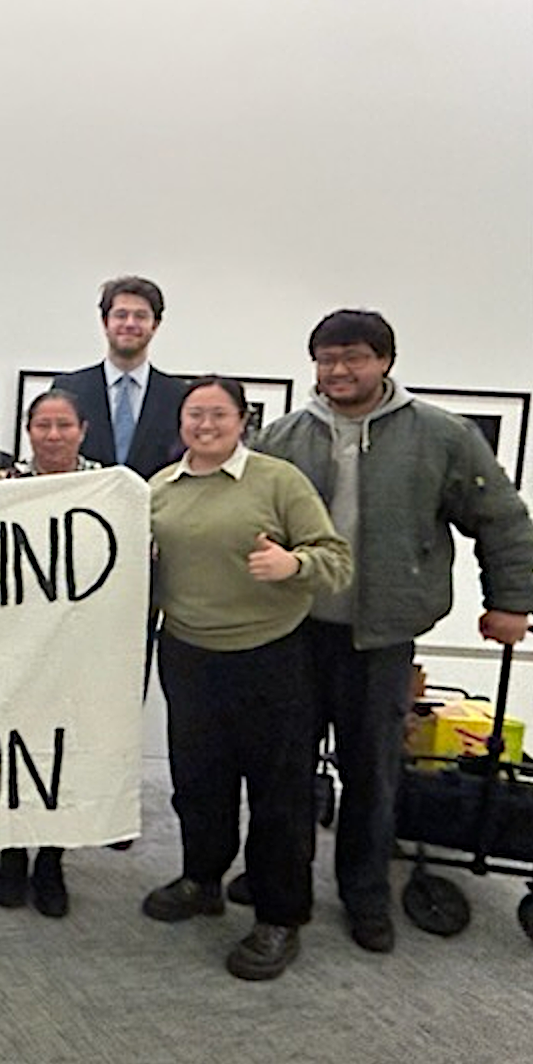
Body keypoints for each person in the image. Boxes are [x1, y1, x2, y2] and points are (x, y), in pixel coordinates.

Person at [253, 309, 533, 952]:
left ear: (385, 360)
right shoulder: (284, 437)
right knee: (286, 770)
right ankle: (280, 886)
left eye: (353, 356)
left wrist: (513, 600)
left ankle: (365, 892)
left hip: (380, 637)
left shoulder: (440, 435)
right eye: (326, 358)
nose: (338, 370)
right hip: (293, 631)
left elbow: (500, 520)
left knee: (373, 772)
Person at [145, 376, 352, 981]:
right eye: (193, 415)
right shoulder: (162, 487)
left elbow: (336, 560)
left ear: (243, 420)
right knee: (198, 782)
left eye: (218, 414)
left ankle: (279, 915)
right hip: (187, 655)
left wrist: (293, 563)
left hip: (271, 658)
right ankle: (202, 880)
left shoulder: (278, 480)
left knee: (279, 795)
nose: (204, 425)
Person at [0, 388, 102, 918]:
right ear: (28, 430)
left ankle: (52, 858)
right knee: (14, 748)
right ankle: (12, 851)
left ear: (82, 429)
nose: (53, 436)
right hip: (13, 644)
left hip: (78, 645)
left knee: (64, 751)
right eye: (42, 426)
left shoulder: (108, 486)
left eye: (64, 426)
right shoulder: (1, 486)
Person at [51, 276, 189, 479]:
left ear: (155, 325)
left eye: (141, 316)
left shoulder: (178, 394)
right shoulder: (69, 388)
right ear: (105, 321)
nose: (130, 324)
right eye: (121, 315)